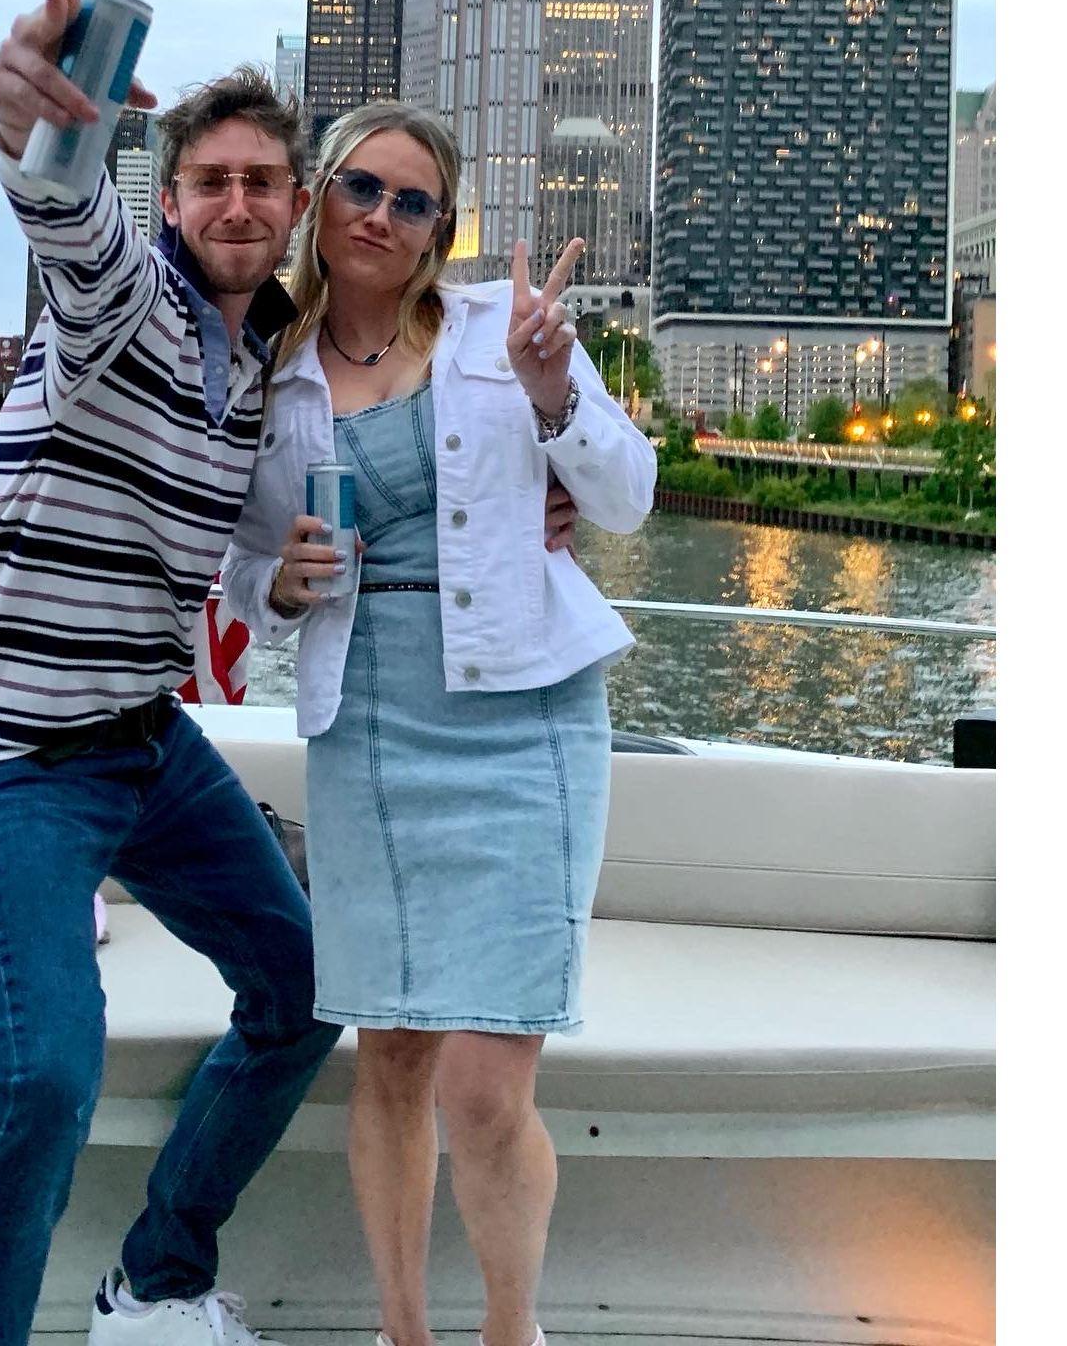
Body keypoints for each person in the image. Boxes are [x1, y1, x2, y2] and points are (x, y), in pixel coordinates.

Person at [0, 0, 582, 1346]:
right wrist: (34, 116)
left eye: (264, 181)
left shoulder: (268, 360)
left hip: (140, 742)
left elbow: (309, 516)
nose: (236, 201)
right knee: (43, 1078)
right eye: (209, 180)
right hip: (5, 754)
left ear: (297, 208)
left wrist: (533, 491)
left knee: (298, 988)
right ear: (169, 202)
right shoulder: (120, 306)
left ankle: (154, 1278)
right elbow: (63, 211)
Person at [220, 101, 658, 1346]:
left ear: (441, 229)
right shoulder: (270, 367)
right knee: (393, 1053)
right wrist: (279, 582)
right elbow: (238, 560)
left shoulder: (498, 335)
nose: (382, 217)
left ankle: (509, 1330)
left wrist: (556, 392)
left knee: (481, 1083)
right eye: (362, 187)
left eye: (414, 202)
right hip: (368, 721)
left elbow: (624, 503)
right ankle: (403, 1331)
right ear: (320, 200)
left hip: (523, 716)